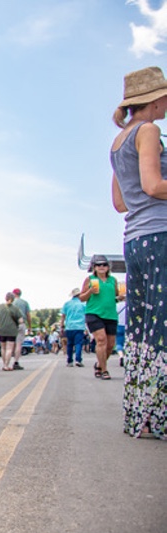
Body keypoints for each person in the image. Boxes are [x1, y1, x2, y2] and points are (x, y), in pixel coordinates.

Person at [109, 65, 167, 439]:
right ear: (155, 99)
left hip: (135, 240)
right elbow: (152, 184)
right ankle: (160, 415)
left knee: (145, 331)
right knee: (162, 328)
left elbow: (119, 202)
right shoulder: (148, 131)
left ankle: (141, 414)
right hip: (160, 235)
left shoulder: (119, 141)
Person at [79, 255, 120, 380]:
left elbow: (115, 296)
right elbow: (82, 298)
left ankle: (98, 365)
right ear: (94, 267)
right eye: (98, 265)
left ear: (108, 267)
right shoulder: (90, 279)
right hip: (94, 313)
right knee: (101, 340)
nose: (102, 267)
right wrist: (90, 291)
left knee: (110, 345)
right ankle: (104, 370)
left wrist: (120, 298)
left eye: (104, 265)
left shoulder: (113, 280)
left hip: (111, 315)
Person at [0, 292, 23, 371]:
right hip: (11, 330)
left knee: (3, 348)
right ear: (13, 299)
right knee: (9, 348)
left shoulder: (0, 307)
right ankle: (6, 365)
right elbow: (21, 320)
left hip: (1, 329)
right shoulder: (15, 309)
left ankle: (4, 364)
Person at [60, 288, 87, 367]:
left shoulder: (67, 304)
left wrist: (62, 326)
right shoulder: (82, 304)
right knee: (78, 343)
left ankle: (69, 361)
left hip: (69, 326)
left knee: (70, 344)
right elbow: (86, 315)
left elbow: (63, 316)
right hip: (79, 326)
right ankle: (78, 360)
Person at [11, 288, 31, 369]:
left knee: (11, 344)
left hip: (11, 324)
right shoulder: (25, 303)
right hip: (21, 323)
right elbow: (28, 315)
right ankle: (16, 362)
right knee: (19, 344)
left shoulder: (11, 302)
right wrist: (30, 326)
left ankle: (7, 362)